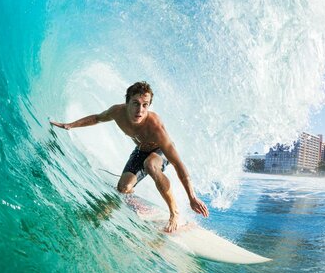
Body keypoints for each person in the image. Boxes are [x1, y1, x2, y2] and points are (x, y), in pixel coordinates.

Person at [50, 81, 209, 232]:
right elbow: (97, 118)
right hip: (140, 150)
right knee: (123, 188)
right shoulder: (117, 112)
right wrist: (70, 125)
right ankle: (132, 199)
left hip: (160, 152)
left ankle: (174, 213)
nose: (140, 110)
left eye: (145, 105)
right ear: (127, 102)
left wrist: (192, 197)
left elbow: (178, 163)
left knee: (150, 165)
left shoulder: (155, 127)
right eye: (136, 103)